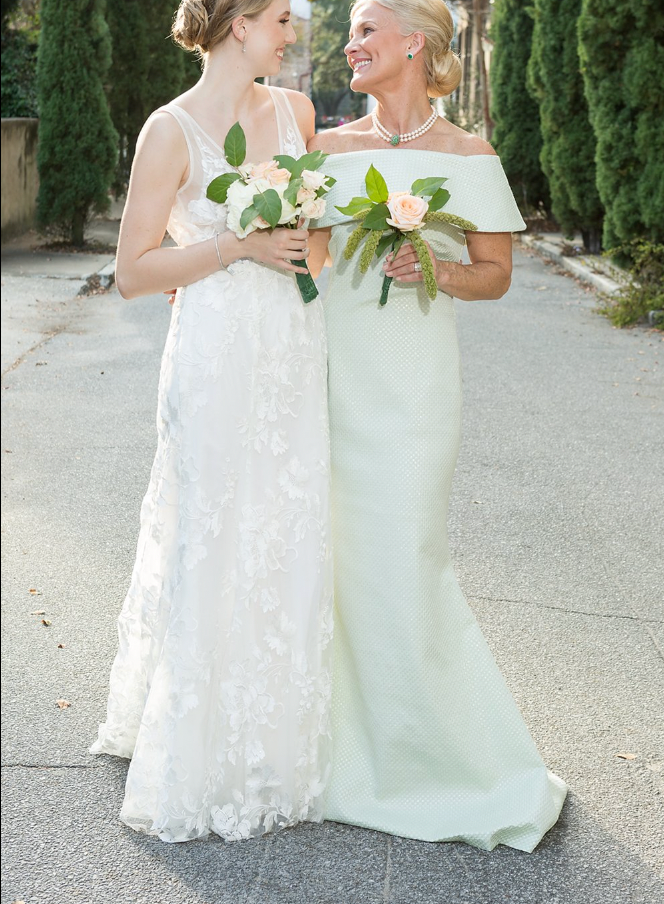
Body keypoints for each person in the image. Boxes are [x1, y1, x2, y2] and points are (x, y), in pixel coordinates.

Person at [306, 0, 567, 851]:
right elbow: (302, 256)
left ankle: (440, 752)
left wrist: (437, 267)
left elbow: (495, 275)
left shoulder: (469, 154)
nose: (351, 44)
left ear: (413, 43)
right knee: (337, 553)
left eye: (366, 29)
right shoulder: (328, 149)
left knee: (405, 551)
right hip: (331, 374)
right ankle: (338, 746)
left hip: (416, 387)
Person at [90, 0, 333, 844]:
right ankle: (197, 742)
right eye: (280, 18)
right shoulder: (170, 130)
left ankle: (276, 739)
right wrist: (236, 246)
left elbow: (321, 246)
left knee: (284, 525)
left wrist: (301, 238)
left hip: (292, 351)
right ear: (238, 25)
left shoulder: (295, 113)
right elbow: (132, 272)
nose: (291, 33)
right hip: (216, 353)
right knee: (214, 525)